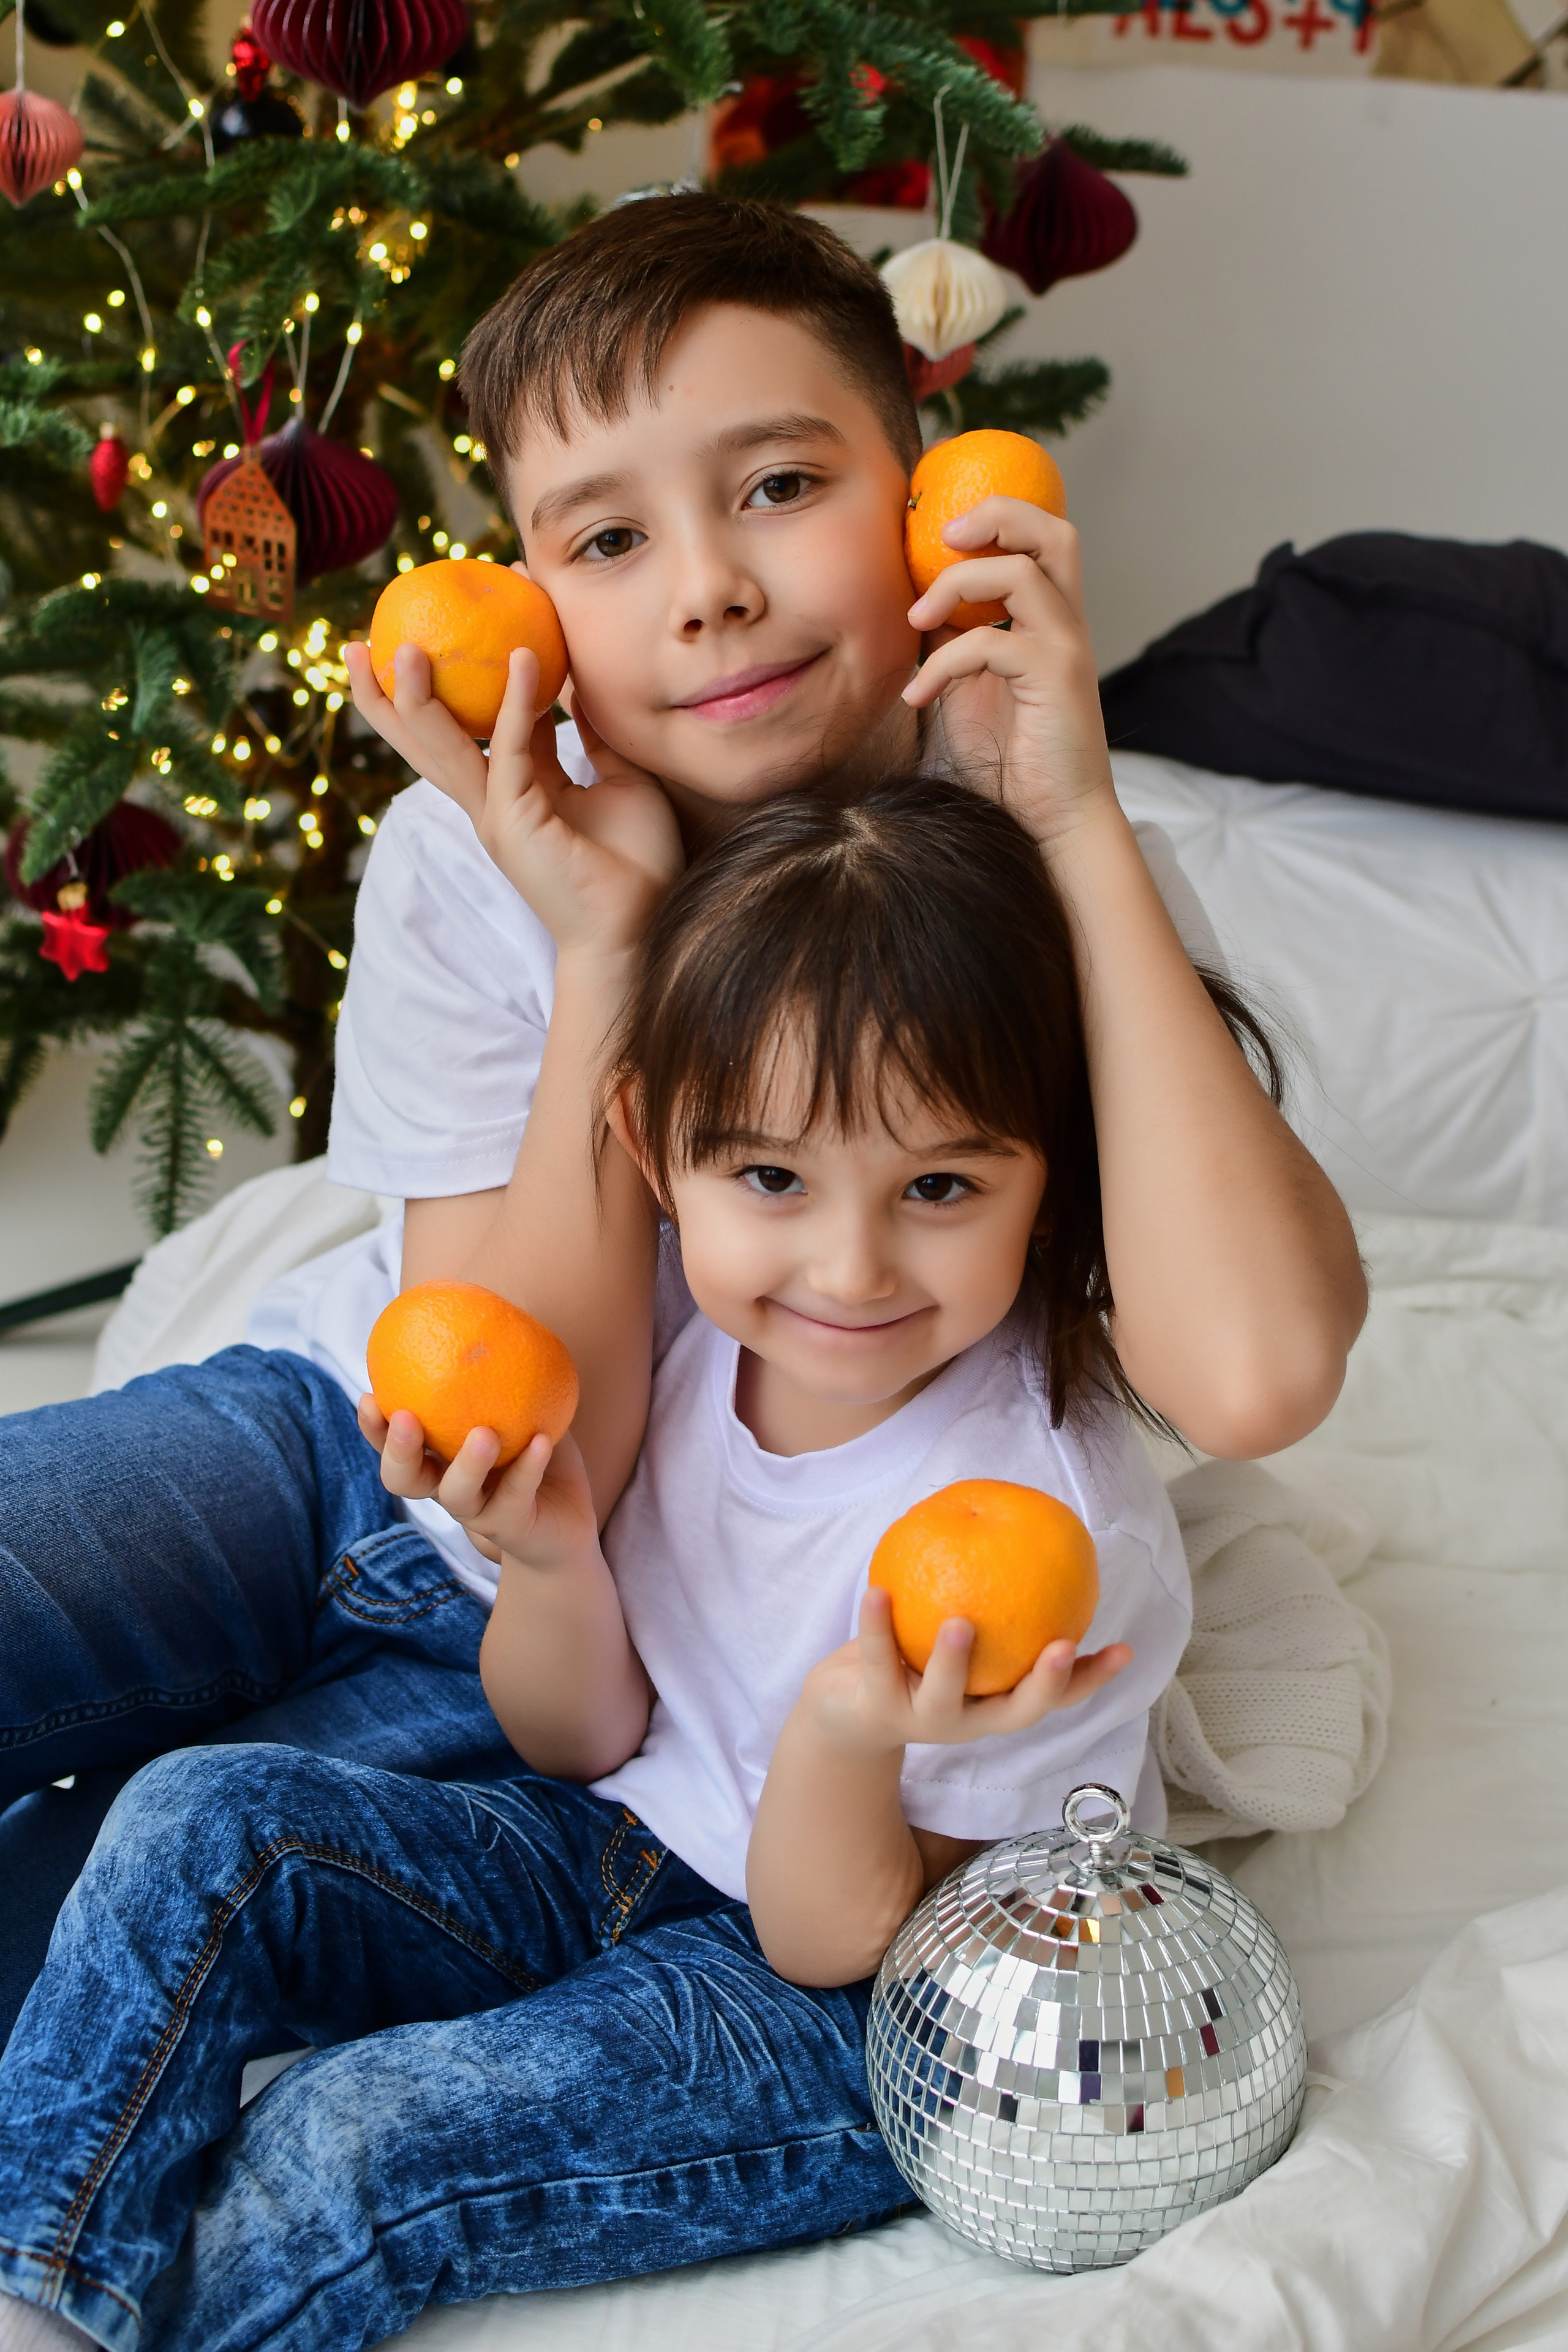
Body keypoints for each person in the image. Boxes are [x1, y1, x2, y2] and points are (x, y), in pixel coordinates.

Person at [0, 194, 1366, 2035]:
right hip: (335, 1442)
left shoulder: (1025, 868)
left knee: (80, 1916)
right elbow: (493, 1406)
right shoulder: (472, 852)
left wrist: (1070, 819)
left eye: (780, 487)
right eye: (610, 538)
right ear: (532, 597)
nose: (707, 587)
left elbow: (1255, 1374)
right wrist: (601, 941)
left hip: (615, 1636)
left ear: (926, 499)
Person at [0, 775, 1197, 2352]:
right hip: (607, 1844)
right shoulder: (687, 1336)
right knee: (192, 1822)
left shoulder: (1044, 1517)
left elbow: (825, 1943)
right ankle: (40, 2291)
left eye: (939, 1188)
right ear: (651, 1145)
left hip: (847, 2002)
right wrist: (555, 1562)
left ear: (1051, 1181)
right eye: (770, 1179)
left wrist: (846, 1727)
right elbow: (580, 1743)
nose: (848, 1268)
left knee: (357, 2133)